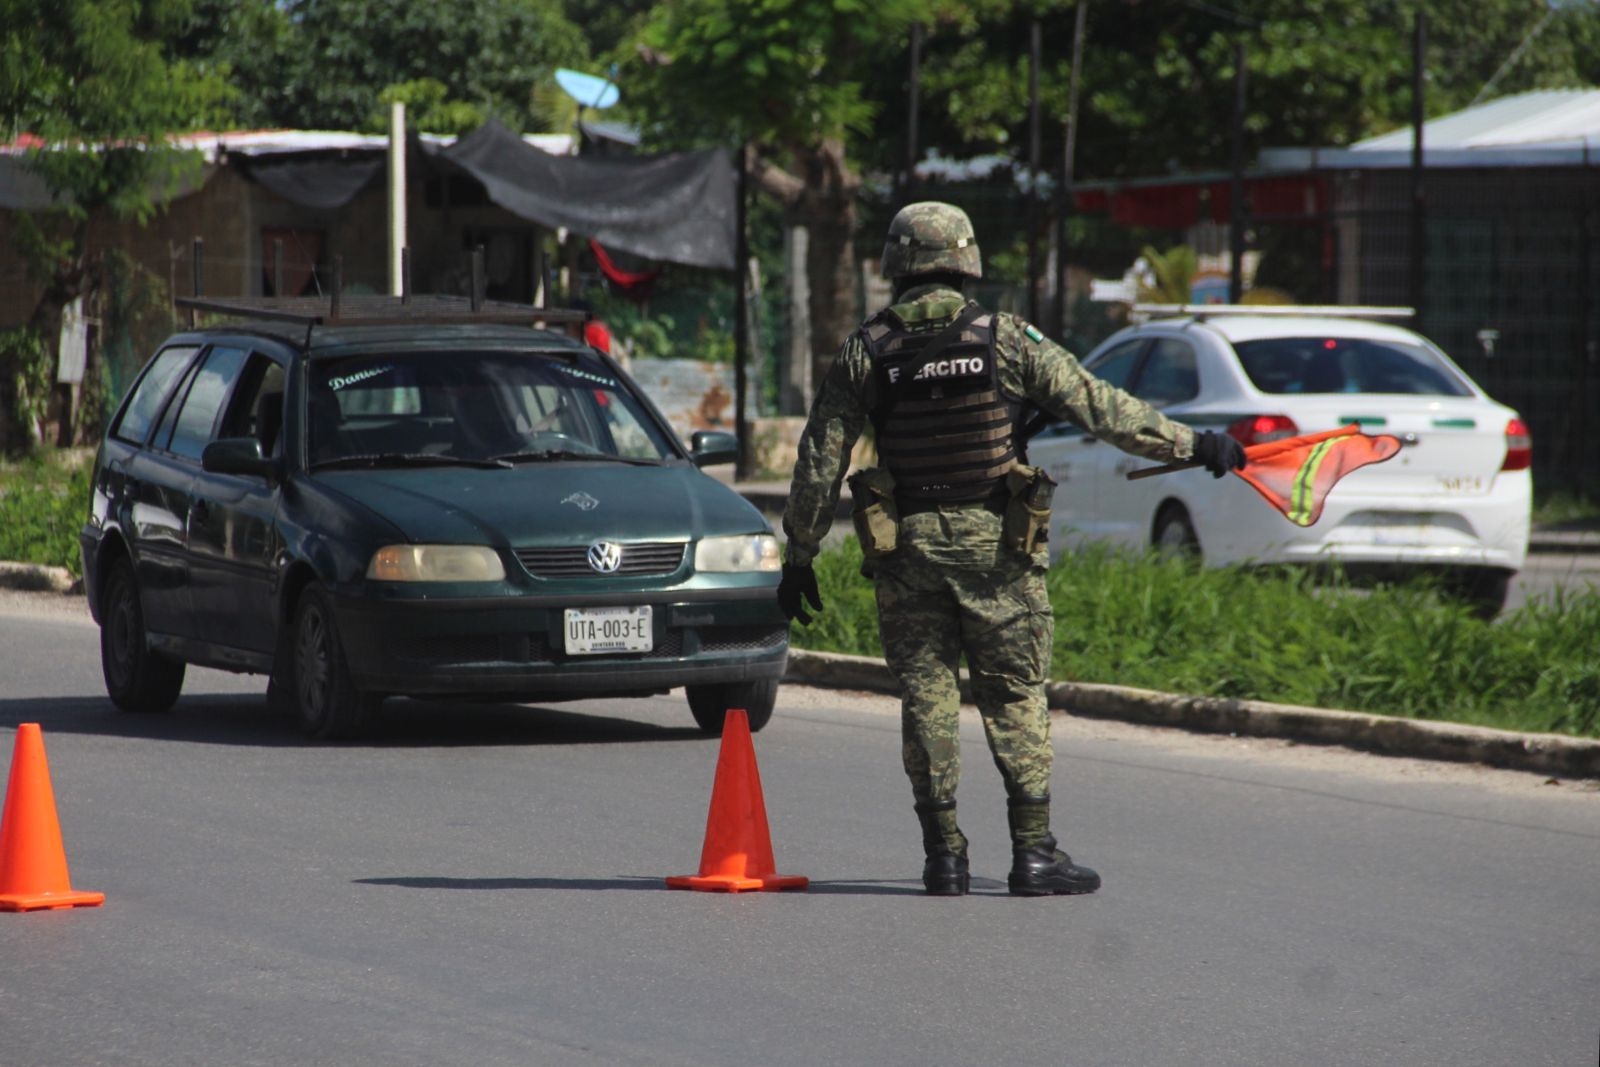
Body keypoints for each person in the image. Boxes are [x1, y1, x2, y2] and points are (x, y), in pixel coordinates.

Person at [777, 202, 1245, 897]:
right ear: (966, 259)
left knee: (927, 696)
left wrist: (800, 555)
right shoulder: (1004, 338)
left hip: (907, 552)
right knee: (1015, 694)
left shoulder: (865, 348)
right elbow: (1101, 405)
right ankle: (1033, 853)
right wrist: (1196, 444)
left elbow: (820, 459)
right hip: (997, 548)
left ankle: (944, 856)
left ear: (896, 262)